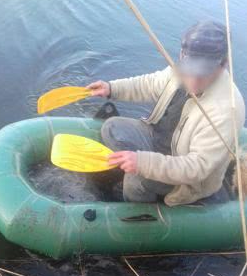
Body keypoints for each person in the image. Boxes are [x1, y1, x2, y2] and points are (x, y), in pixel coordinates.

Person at [87, 21, 245, 206]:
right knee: (111, 127)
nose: (193, 81)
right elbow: (148, 84)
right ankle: (146, 175)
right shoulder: (178, 70)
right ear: (182, 56)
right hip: (158, 140)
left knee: (135, 181)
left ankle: (146, 209)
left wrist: (143, 164)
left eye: (204, 73)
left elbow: (197, 168)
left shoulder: (228, 109)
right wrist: (111, 88)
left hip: (187, 177)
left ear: (224, 64)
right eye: (190, 70)